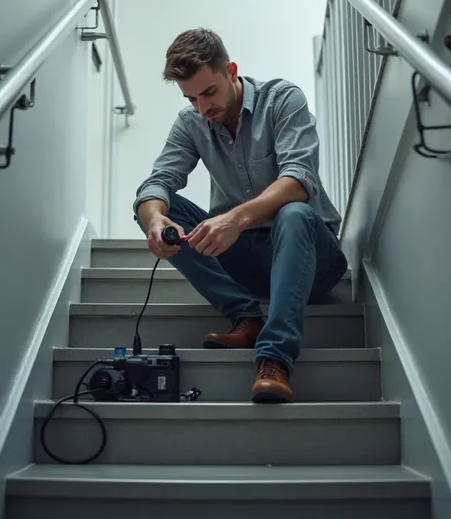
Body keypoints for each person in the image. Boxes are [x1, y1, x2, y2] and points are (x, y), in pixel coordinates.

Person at [133, 28, 348, 403]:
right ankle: (246, 316)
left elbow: (299, 180)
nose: (202, 108)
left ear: (231, 71)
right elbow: (159, 181)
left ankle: (275, 359)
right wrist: (153, 220)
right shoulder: (191, 122)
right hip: (246, 259)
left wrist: (234, 219)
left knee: (294, 212)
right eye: (191, 98)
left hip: (312, 257)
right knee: (158, 208)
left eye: (209, 93)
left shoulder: (282, 99)